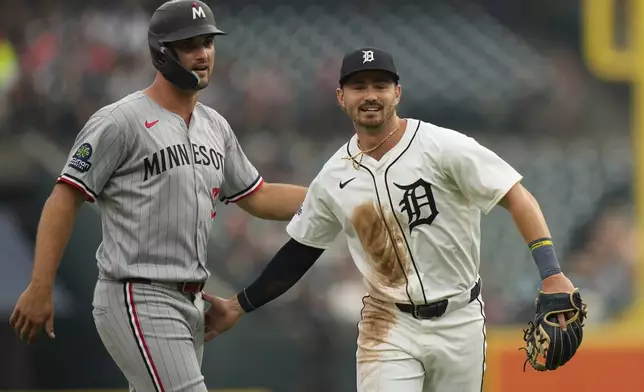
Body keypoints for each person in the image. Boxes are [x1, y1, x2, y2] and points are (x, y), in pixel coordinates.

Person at [202, 47, 580, 391]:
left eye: (380, 85)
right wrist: (239, 305)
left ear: (397, 93)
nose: (370, 95)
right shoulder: (334, 176)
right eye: (358, 86)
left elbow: (516, 196)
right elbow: (299, 253)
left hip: (459, 318)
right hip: (388, 323)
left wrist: (551, 273)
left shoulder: (441, 146)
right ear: (341, 97)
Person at [8, 1, 306, 391]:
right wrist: (40, 284)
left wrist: (334, 195)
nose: (203, 54)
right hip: (136, 293)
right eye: (190, 45)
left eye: (208, 43)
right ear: (162, 52)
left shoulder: (215, 126)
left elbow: (259, 196)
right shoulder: (120, 121)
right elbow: (65, 197)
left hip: (192, 300)